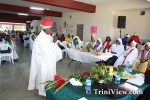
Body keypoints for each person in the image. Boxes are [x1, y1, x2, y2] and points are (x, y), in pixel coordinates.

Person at [28, 17, 62, 96]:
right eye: (50, 29)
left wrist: (55, 42)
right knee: (43, 75)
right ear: (45, 29)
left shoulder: (48, 35)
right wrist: (53, 43)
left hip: (49, 60)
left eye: (51, 28)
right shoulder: (40, 38)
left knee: (49, 75)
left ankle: (49, 88)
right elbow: (43, 51)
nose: (51, 30)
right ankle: (43, 92)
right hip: (43, 61)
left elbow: (51, 46)